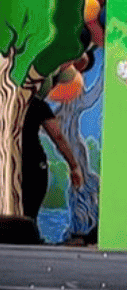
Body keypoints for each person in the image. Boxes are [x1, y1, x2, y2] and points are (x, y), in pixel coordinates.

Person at [22, 91, 83, 222]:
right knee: (29, 215)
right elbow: (58, 137)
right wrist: (74, 166)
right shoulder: (36, 104)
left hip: (10, 166)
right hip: (32, 164)